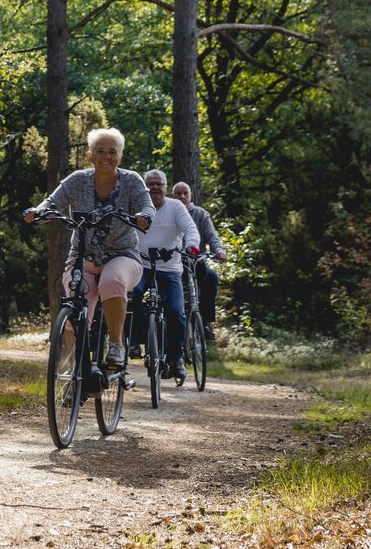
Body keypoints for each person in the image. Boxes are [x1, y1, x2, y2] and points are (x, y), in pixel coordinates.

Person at [23, 128, 155, 370]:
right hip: (83, 256)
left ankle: (116, 345)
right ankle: (77, 371)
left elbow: (147, 205)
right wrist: (37, 212)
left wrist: (144, 215)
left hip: (123, 255)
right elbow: (52, 202)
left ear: (120, 157)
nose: (106, 156)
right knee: (75, 302)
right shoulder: (77, 180)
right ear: (90, 156)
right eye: (100, 151)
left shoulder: (131, 180)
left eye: (112, 152)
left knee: (111, 281)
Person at [132, 169, 200, 380]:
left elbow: (190, 228)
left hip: (169, 269)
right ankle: (135, 342)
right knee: (132, 297)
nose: (154, 188)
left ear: (165, 187)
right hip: (140, 265)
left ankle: (176, 358)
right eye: (150, 184)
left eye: (158, 184)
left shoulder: (176, 207)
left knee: (175, 311)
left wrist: (191, 245)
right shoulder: (137, 206)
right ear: (144, 187)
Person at [173, 181, 227, 339]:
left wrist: (219, 251)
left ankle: (205, 322)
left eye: (185, 193)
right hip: (173, 262)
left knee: (211, 277)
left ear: (191, 196)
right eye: (178, 193)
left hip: (196, 262)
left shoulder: (200, 214)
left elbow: (212, 237)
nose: (182, 196)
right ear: (172, 195)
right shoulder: (169, 211)